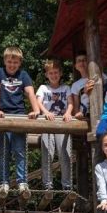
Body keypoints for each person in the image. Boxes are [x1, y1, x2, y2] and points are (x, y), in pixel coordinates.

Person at [0, 46, 39, 199]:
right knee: (3, 150)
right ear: (5, 61)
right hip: (2, 115)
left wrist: (36, 110)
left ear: (20, 63)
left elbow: (30, 92)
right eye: (10, 62)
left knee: (19, 150)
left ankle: (22, 182)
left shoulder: (23, 75)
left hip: (19, 115)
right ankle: (3, 182)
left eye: (15, 62)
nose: (12, 65)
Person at [36, 59, 73, 195]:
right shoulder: (43, 88)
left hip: (62, 124)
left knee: (64, 154)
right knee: (47, 154)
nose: (54, 75)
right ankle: (47, 185)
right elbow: (38, 102)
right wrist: (46, 112)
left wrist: (68, 113)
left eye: (56, 72)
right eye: (51, 73)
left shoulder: (66, 88)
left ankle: (67, 186)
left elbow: (70, 103)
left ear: (60, 73)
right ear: (47, 75)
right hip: (47, 124)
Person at [65, 52, 95, 122]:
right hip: (83, 116)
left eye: (84, 60)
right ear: (76, 66)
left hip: (99, 112)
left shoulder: (100, 76)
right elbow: (76, 106)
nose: (81, 62)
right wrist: (77, 116)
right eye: (79, 61)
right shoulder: (75, 85)